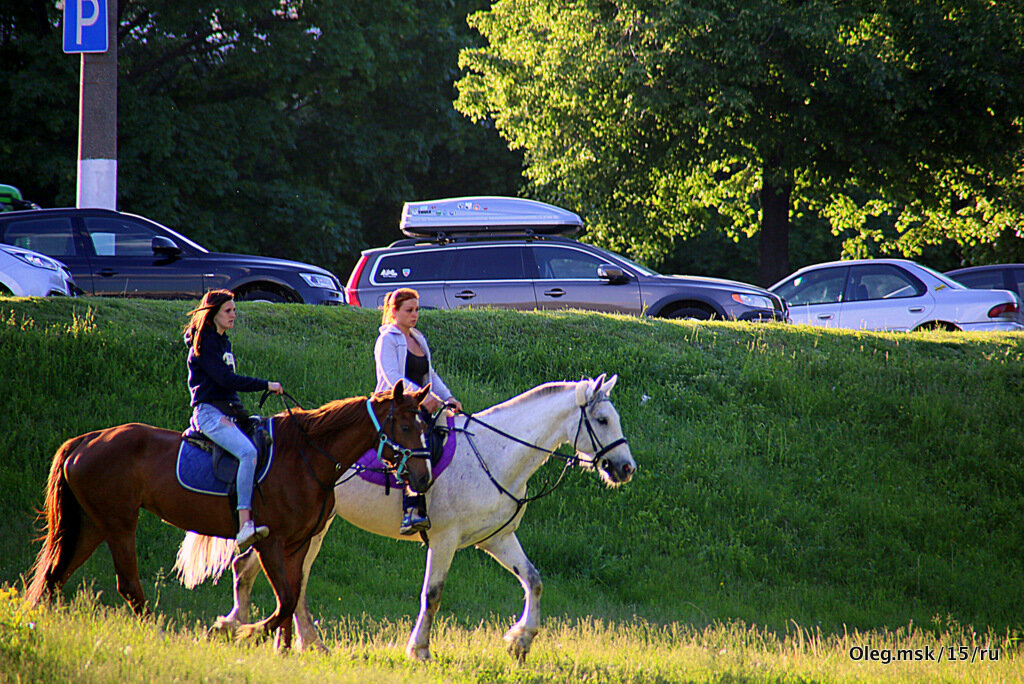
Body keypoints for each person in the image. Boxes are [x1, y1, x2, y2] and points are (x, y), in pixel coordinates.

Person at [184, 289, 284, 552]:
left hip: (228, 412)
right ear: (213, 313)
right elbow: (226, 381)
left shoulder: (223, 342)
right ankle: (244, 525)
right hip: (209, 414)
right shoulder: (204, 344)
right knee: (248, 453)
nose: (233, 315)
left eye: (235, 310)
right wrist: (266, 385)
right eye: (228, 311)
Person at [374, 288, 462, 534]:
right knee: (417, 445)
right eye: (409, 310)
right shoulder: (387, 339)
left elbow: (429, 375)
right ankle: (411, 509)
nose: (414, 315)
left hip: (417, 404)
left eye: (417, 310)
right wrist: (423, 399)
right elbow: (392, 377)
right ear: (394, 311)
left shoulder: (417, 338)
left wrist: (448, 397)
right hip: (394, 405)